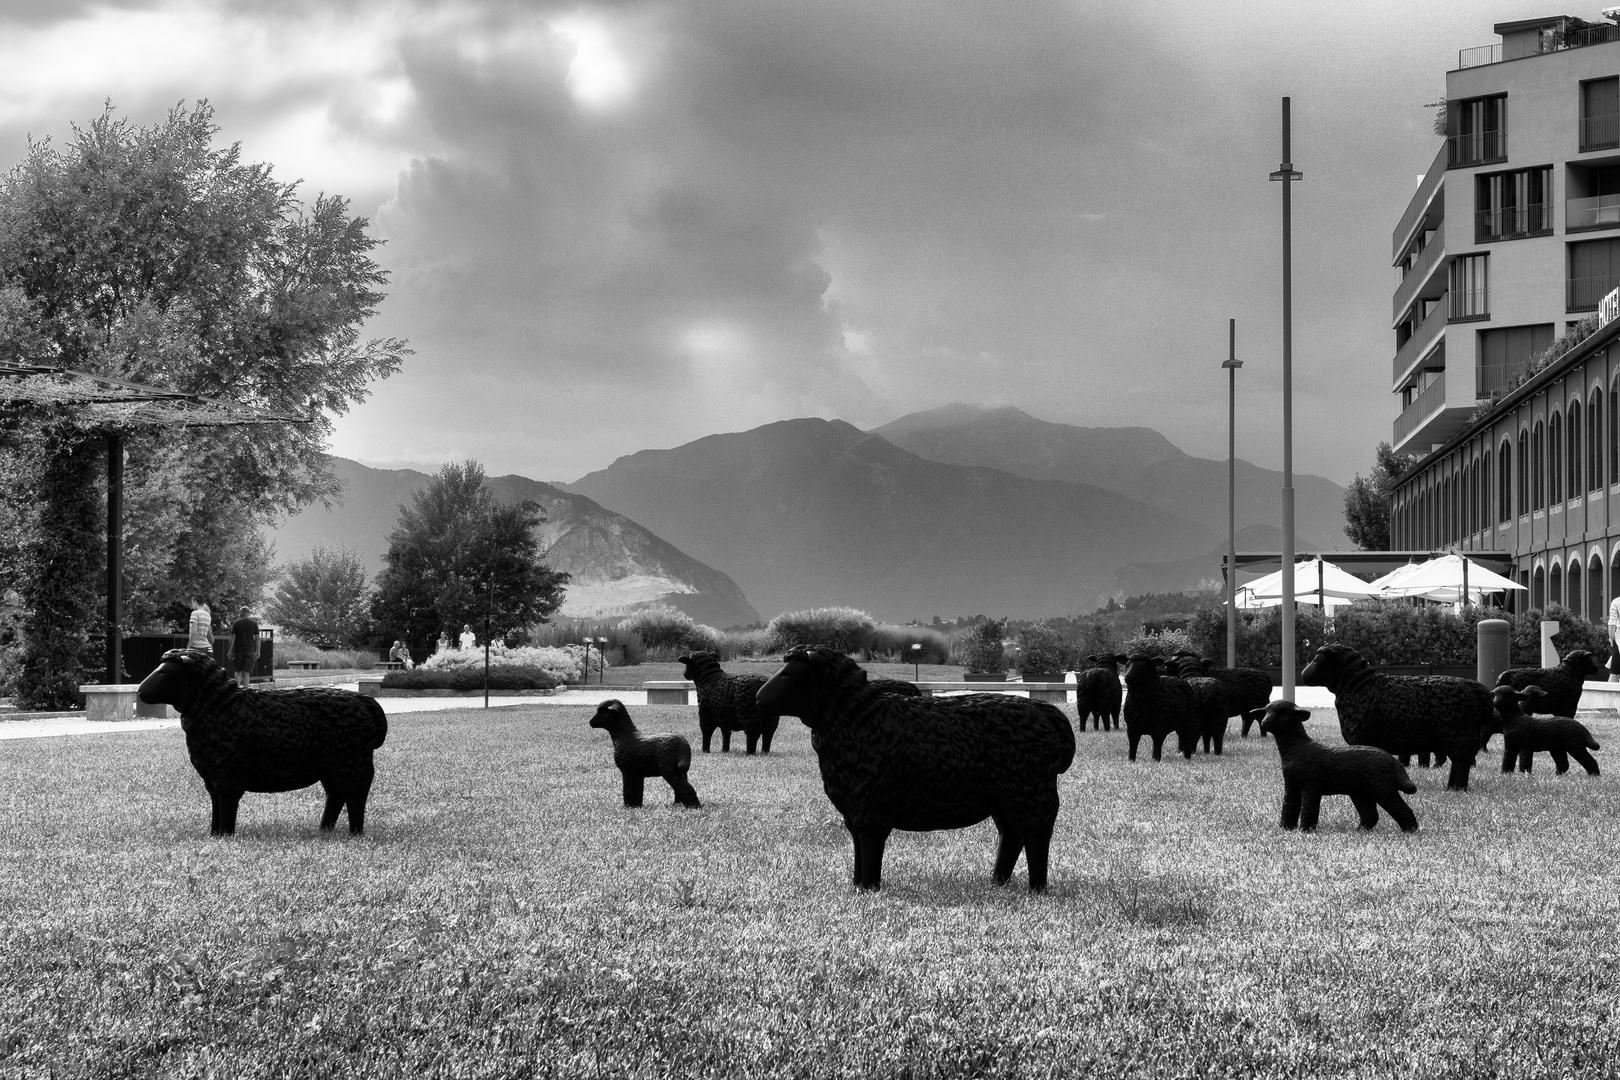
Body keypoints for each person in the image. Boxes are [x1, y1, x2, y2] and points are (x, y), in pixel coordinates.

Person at [229, 606, 260, 688]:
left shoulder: (236, 623)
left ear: (241, 613)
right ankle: (245, 690)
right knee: (246, 672)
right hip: (250, 650)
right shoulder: (254, 623)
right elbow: (257, 639)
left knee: (238, 670)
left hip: (238, 650)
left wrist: (230, 651)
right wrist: (258, 651)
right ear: (248, 613)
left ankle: (237, 689)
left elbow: (233, 637)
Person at [1608, 593, 1620, 682]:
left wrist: (1611, 640)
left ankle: (1609, 696)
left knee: (1615, 673)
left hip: (1619, 639)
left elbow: (1612, 625)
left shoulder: (1616, 602)